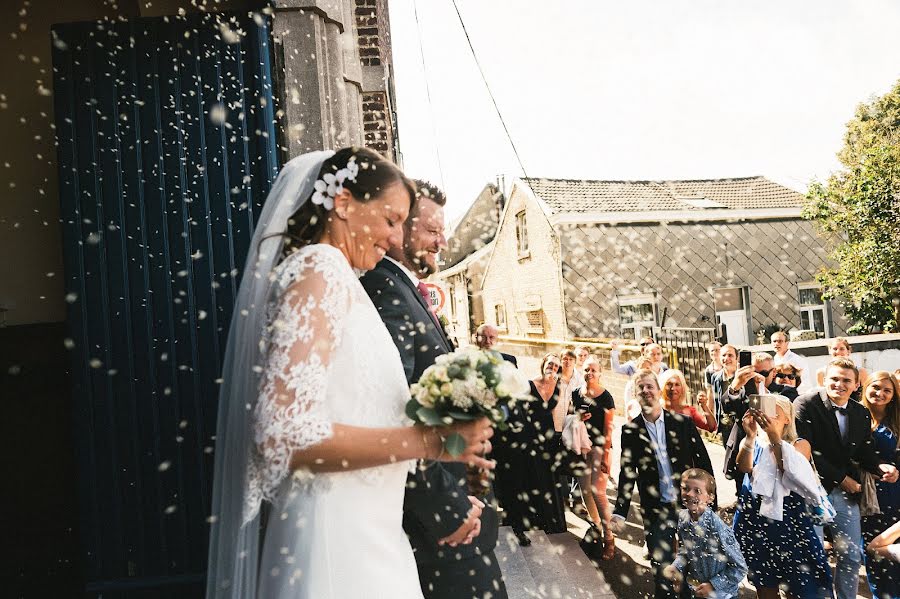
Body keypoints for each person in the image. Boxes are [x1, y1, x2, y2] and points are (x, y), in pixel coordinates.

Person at [205, 149, 495, 599]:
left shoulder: (343, 280)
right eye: (390, 219)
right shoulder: (319, 271)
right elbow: (281, 433)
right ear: (342, 203)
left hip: (370, 540)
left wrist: (448, 442)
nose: (396, 236)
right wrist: (426, 443)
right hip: (334, 547)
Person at [360, 179, 506, 599]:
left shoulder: (406, 289)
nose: (442, 241)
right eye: (431, 230)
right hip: (445, 528)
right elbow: (392, 409)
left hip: (464, 505)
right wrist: (446, 507)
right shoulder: (386, 290)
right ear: (400, 226)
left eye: (442, 230)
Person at [795, 358, 900, 599]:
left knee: (852, 556)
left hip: (846, 495)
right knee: (815, 556)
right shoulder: (806, 404)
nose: (839, 384)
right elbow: (807, 452)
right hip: (812, 490)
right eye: (834, 378)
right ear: (825, 379)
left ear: (856, 384)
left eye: (846, 380)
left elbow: (864, 450)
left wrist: (879, 467)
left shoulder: (859, 411)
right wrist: (843, 478)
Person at [611, 370, 714, 599]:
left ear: (658, 390)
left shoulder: (682, 423)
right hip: (655, 508)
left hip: (688, 506)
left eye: (650, 386)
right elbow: (627, 472)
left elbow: (703, 462)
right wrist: (619, 511)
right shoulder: (630, 430)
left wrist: (710, 503)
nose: (646, 391)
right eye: (641, 388)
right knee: (661, 569)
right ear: (635, 394)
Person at [732, 394, 832, 599]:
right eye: (763, 410)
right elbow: (743, 467)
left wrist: (774, 437)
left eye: (773, 411)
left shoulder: (799, 444)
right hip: (756, 520)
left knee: (801, 587)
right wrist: (750, 436)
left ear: (787, 417)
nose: (766, 415)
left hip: (791, 524)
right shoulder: (755, 442)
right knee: (764, 584)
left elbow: (788, 469)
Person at [662, 469, 747, 599]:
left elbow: (740, 568)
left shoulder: (717, 527)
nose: (690, 494)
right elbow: (686, 550)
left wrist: (713, 585)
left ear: (710, 497)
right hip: (698, 591)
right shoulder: (683, 517)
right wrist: (676, 566)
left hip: (723, 595)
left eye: (697, 491)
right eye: (686, 488)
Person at [860, 371, 900, 599]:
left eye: (887, 390)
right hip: (866, 496)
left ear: (894, 395)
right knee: (873, 552)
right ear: (865, 388)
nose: (880, 393)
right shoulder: (855, 416)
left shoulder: (898, 421)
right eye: (875, 387)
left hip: (895, 493)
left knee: (893, 550)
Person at [573, 357, 616, 559]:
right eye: (586, 369)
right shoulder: (576, 394)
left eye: (594, 370)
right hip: (582, 448)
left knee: (598, 491)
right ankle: (597, 526)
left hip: (600, 448)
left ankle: (609, 538)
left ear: (600, 373)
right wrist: (577, 418)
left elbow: (609, 430)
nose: (590, 372)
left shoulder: (606, 397)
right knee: (585, 491)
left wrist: (606, 456)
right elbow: (570, 419)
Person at [521, 353, 568, 534]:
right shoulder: (529, 384)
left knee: (550, 479)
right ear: (543, 364)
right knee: (534, 476)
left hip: (551, 438)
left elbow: (562, 411)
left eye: (556, 366)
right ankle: (535, 520)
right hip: (532, 436)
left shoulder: (559, 386)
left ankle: (552, 521)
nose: (553, 368)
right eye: (550, 364)